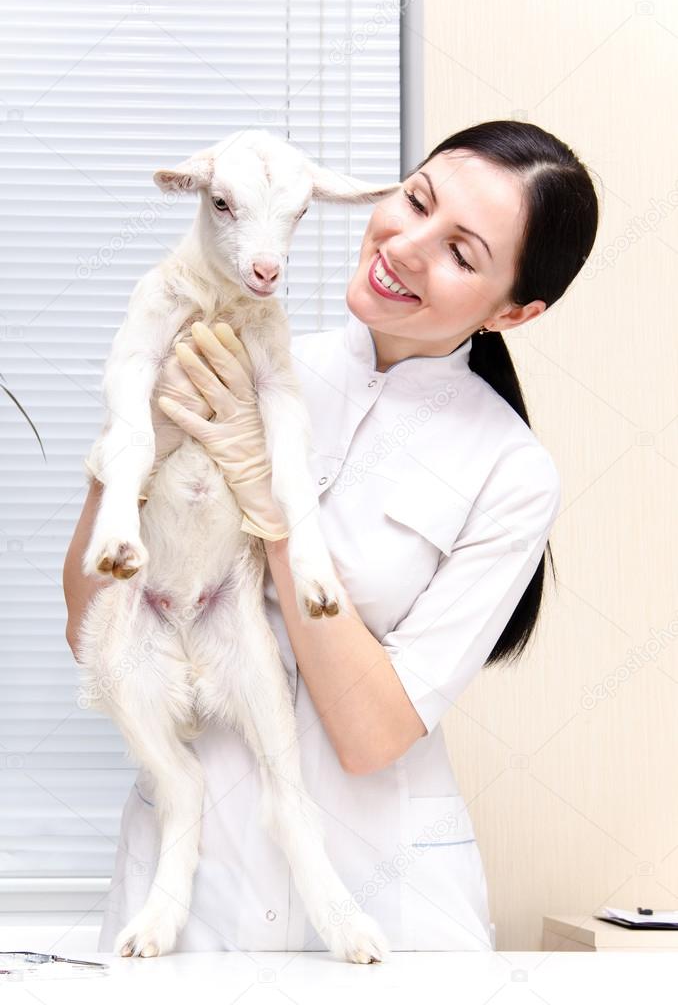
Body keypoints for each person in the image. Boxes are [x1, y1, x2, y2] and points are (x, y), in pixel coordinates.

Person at [63, 120, 599, 954]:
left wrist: (270, 508)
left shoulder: (511, 472)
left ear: (514, 311)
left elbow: (372, 732)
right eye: (415, 200)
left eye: (462, 253)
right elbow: (88, 620)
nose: (408, 247)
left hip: (387, 906)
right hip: (192, 903)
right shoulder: (243, 352)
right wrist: (134, 443)